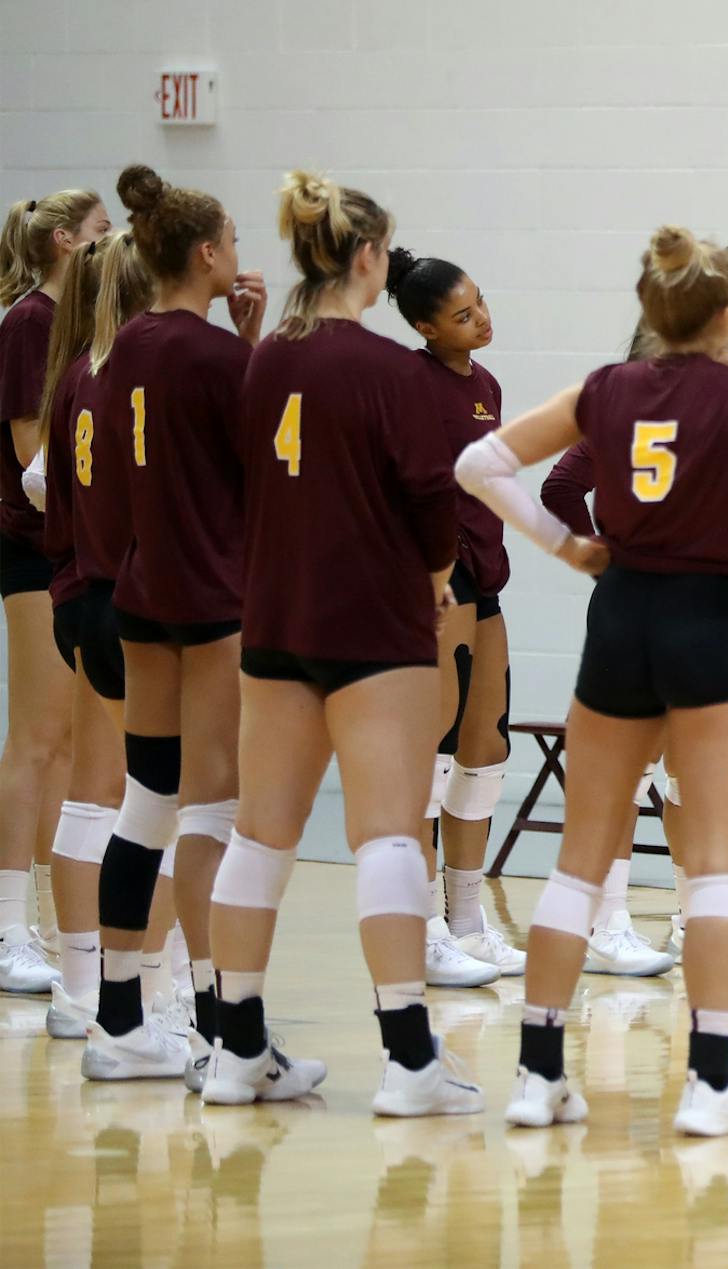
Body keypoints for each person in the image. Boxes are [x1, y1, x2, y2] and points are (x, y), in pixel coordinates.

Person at [459, 227, 728, 1137]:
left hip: (620, 620)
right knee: (710, 870)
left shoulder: (606, 389)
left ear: (650, 313)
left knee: (580, 858)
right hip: (709, 626)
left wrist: (567, 546)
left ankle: (538, 1076)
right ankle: (710, 1085)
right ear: (725, 314)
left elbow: (480, 465)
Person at [199, 169, 459, 1113]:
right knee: (388, 834)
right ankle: (409, 1061)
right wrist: (437, 572)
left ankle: (234, 1050)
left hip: (274, 620)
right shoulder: (391, 370)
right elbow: (435, 497)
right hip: (372, 624)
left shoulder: (264, 359)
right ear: (365, 257)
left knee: (260, 837)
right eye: (385, 250)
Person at [80, 166, 267, 1086]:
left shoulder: (118, 351)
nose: (240, 255)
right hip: (213, 601)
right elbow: (270, 472)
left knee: (146, 804)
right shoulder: (219, 358)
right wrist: (254, 348)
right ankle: (222, 1030)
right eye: (231, 240)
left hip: (141, 593)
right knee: (216, 816)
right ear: (206, 253)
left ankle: (118, 1020)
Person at [37, 234, 179, 1040]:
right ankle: (155, 992)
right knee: (167, 806)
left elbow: (51, 499)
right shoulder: (136, 378)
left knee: (95, 796)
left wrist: (70, 584)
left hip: (88, 599)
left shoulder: (75, 375)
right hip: (142, 606)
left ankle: (80, 985)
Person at [384, 247, 525, 982]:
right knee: (432, 752)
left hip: (487, 572)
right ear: (424, 326)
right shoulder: (409, 380)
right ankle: (426, 930)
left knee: (487, 743)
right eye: (462, 314)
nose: (481, 320)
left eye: (482, 304)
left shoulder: (489, 382)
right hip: (435, 578)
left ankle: (470, 921)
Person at [538, 324, 685, 979]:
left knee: (686, 763)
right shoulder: (620, 414)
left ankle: (691, 912)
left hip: (694, 604)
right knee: (633, 767)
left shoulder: (710, 411)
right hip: (636, 604)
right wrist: (595, 556)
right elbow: (556, 488)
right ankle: (607, 919)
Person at [0, 187, 109, 993]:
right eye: (103, 232)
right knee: (36, 739)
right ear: (66, 242)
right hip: (30, 548)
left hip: (67, 550)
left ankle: (41, 917)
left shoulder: (72, 324)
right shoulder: (30, 322)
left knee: (68, 743)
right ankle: (9, 929)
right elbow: (36, 452)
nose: (115, 244)